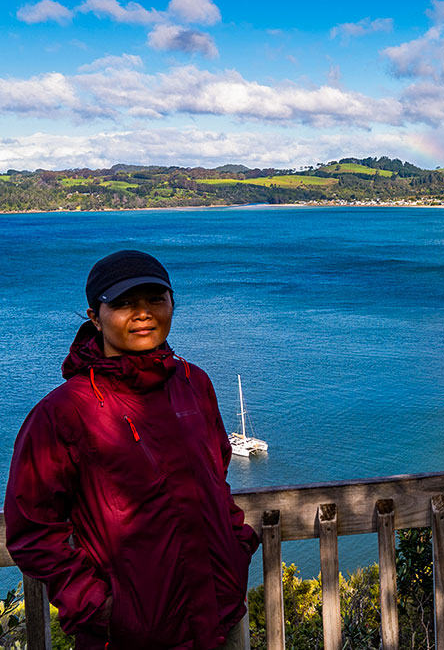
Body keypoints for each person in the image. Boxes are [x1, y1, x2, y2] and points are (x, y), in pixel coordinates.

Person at [4, 250, 259, 649]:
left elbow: (217, 475)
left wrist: (237, 547)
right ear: (94, 316)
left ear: (173, 304)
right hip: (132, 635)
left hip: (222, 613)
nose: (142, 313)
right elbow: (31, 529)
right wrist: (98, 608)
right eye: (123, 303)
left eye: (155, 299)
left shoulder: (195, 383)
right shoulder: (64, 412)